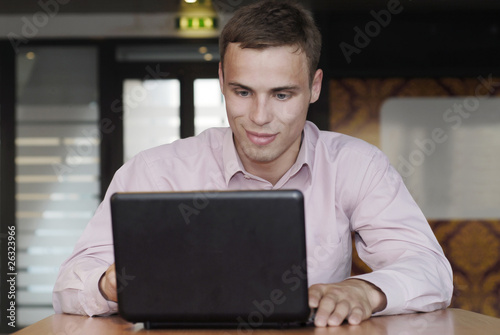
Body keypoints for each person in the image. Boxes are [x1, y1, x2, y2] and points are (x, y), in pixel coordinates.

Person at [53, 0, 453, 327]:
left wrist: (366, 291)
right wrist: (106, 285)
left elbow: (430, 270)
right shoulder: (156, 171)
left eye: (282, 95)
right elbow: (68, 285)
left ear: (314, 87)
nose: (260, 117)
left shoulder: (356, 165)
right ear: (222, 80)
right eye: (242, 92)